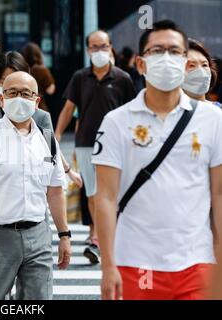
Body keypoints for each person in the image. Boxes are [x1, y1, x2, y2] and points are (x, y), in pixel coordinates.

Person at [94, 20, 222, 300]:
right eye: (157, 51)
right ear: (140, 64)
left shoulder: (213, 119)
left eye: (175, 52)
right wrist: (108, 266)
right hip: (135, 263)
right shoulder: (116, 122)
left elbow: (218, 194)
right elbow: (104, 196)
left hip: (197, 263)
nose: (166, 58)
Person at [0, 71, 72, 300]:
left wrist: (64, 235)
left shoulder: (47, 140)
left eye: (26, 93)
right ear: (2, 99)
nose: (19, 98)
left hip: (38, 236)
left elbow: (55, 191)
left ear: (36, 101)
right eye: (12, 93)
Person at [55, 30, 136, 265]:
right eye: (94, 47)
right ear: (88, 49)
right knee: (92, 193)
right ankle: (96, 234)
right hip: (86, 143)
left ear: (111, 47)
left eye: (103, 46)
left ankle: (105, 234)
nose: (99, 51)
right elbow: (69, 108)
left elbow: (133, 111)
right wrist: (58, 133)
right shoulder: (80, 77)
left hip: (117, 145)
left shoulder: (123, 78)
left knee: (111, 192)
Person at [0, 51, 82, 186]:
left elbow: (51, 152)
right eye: (5, 81)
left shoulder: (42, 117)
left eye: (17, 80)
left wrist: (67, 171)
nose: (12, 87)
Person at [182, 39, 220, 107]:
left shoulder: (218, 111)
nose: (201, 72)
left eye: (204, 65)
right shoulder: (166, 114)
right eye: (192, 66)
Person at [20, 42, 55, 112]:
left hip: (23, 107)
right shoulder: (42, 69)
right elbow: (50, 90)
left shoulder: (21, 70)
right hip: (39, 107)